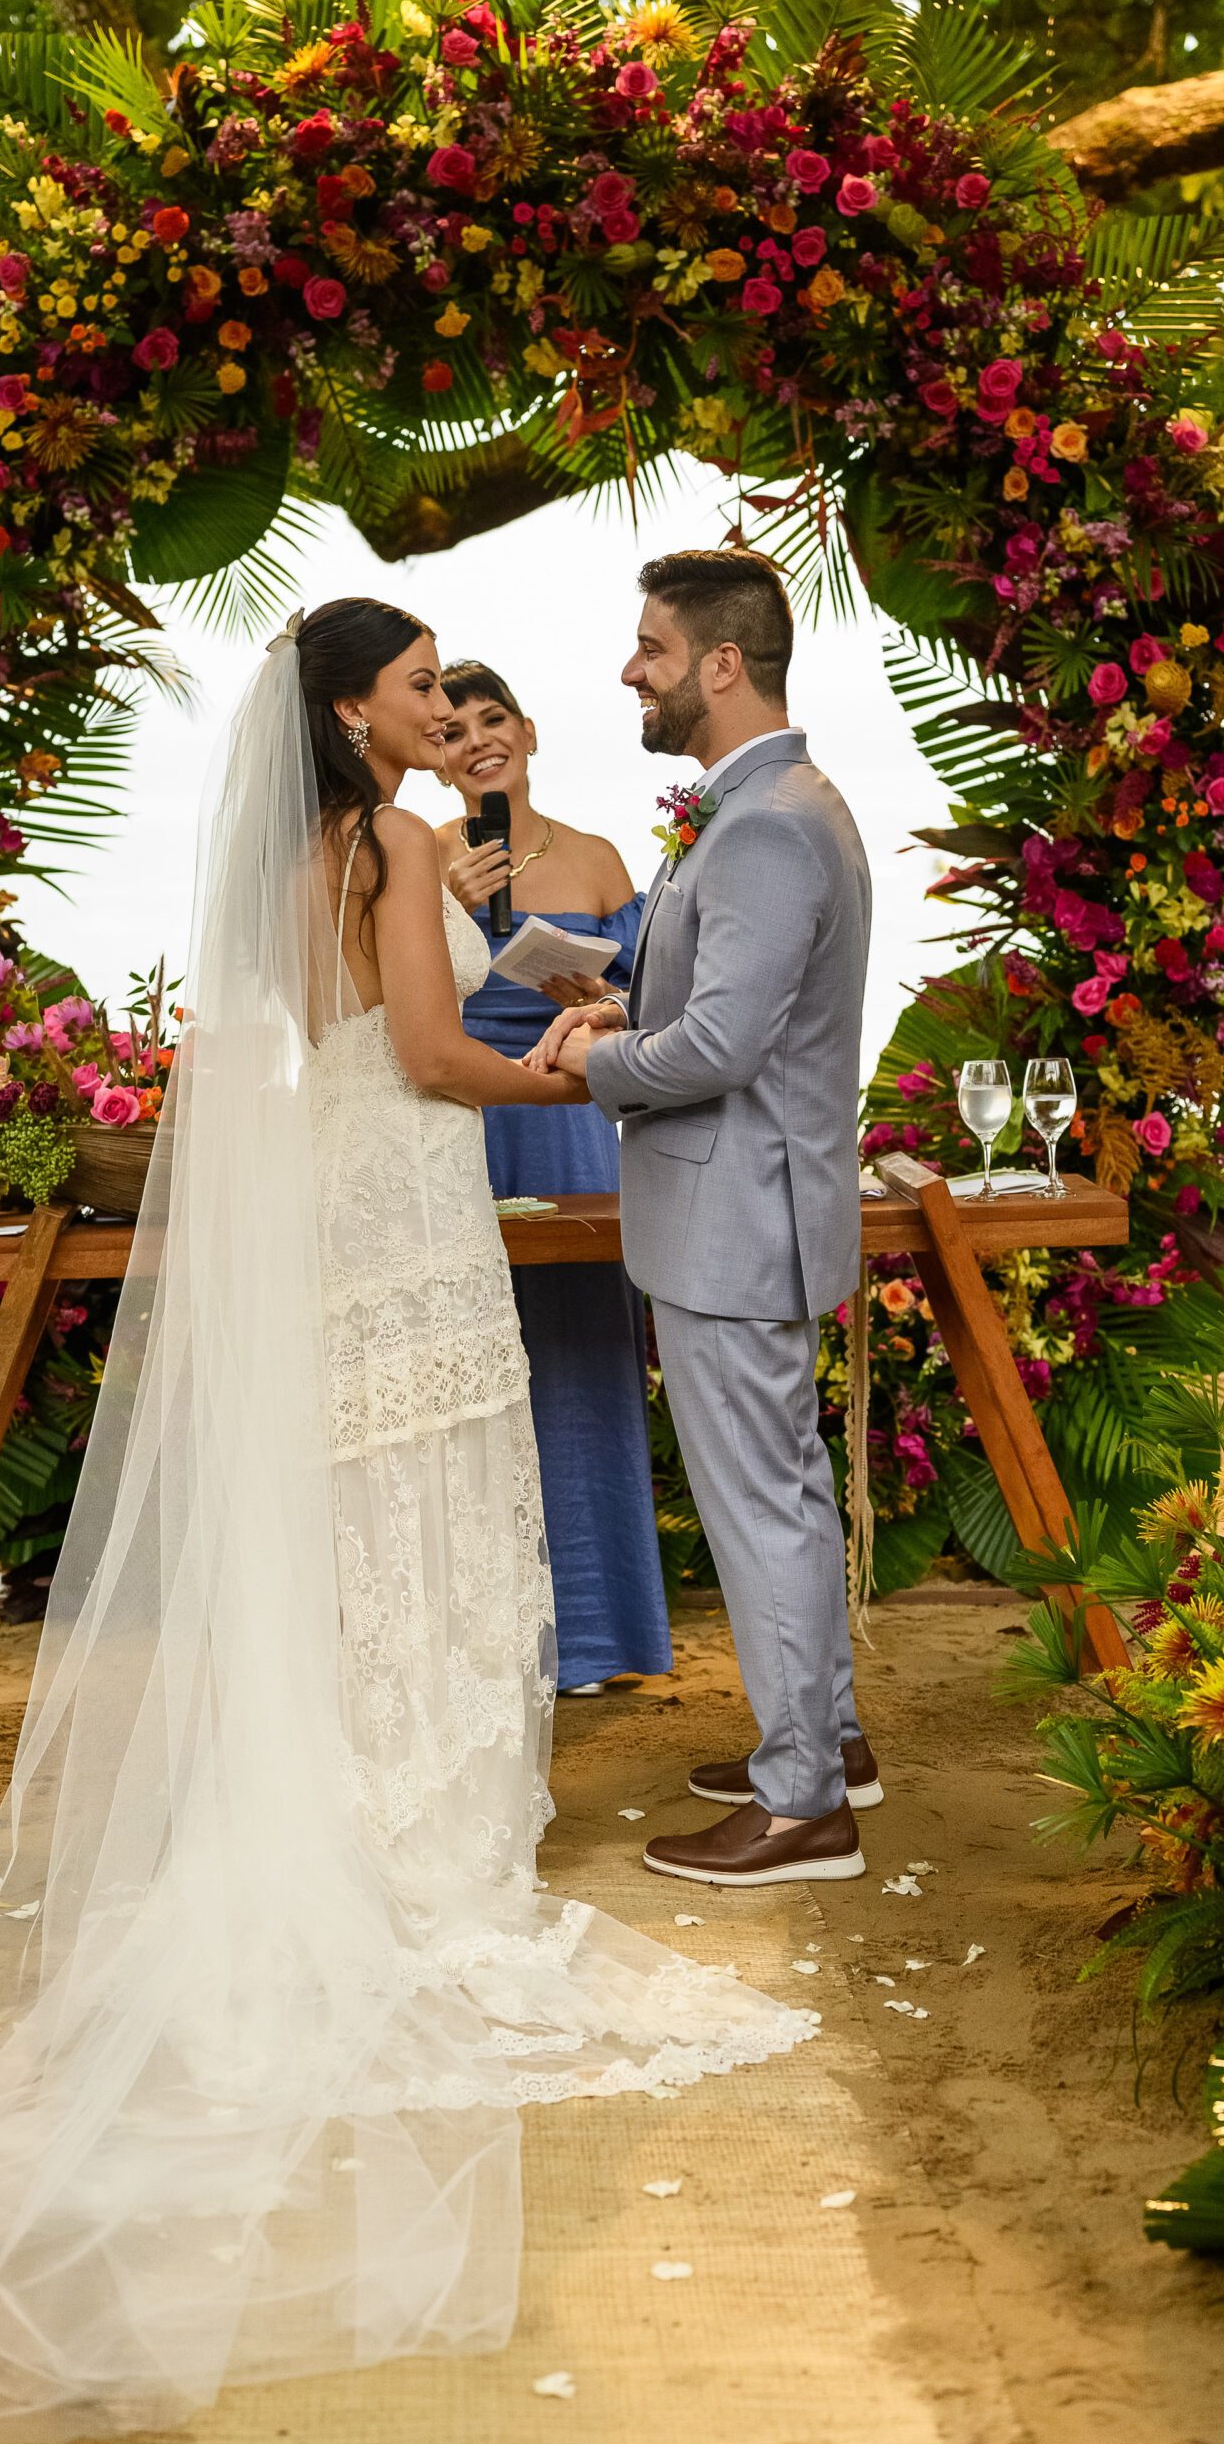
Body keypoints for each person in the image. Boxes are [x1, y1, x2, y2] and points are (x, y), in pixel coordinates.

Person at [0, 597, 817, 2442]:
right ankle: (414, 1856)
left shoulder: (300, 845)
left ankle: (356, 1809)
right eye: (411, 688)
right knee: (434, 1505)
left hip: (334, 1205)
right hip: (402, 1200)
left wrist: (519, 1020)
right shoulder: (388, 838)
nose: (436, 712)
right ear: (347, 707)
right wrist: (555, 1069)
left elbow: (317, 1036)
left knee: (371, 1513)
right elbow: (419, 1053)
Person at [531, 549, 885, 1889]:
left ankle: (802, 1807)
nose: (633, 670)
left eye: (652, 648)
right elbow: (742, 1014)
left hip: (736, 1217)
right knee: (780, 1489)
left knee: (762, 1506)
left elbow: (728, 1047)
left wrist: (591, 1065)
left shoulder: (767, 821)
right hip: (745, 1208)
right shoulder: (769, 804)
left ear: (721, 664)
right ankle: (828, 1745)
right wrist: (634, 1014)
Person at [433, 659, 672, 1696]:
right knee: (471, 1377)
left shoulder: (597, 856)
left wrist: (597, 993)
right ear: (432, 755)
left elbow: (659, 1004)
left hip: (573, 1132)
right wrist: (441, 912)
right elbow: (390, 1013)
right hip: (461, 1135)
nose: (477, 739)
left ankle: (593, 1636)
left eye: (493, 720)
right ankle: (482, 1645)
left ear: (527, 731)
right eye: (452, 730)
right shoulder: (421, 861)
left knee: (579, 1365)